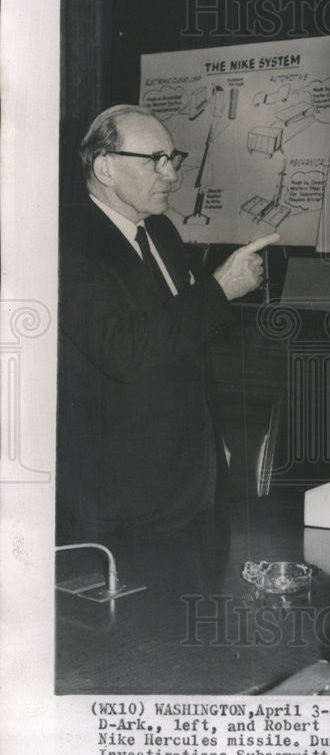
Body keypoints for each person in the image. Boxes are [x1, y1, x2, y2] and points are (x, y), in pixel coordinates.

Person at [57, 104, 278, 541]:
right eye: (154, 160)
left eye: (172, 159)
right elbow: (124, 350)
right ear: (105, 167)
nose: (172, 175)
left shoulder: (161, 232)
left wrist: (214, 446)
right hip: (122, 494)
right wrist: (217, 290)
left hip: (191, 482)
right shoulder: (68, 243)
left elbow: (184, 343)